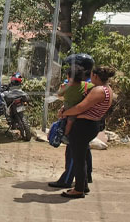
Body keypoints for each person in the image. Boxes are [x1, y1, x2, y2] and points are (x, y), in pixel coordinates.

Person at [57, 65, 116, 198]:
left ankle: (78, 190)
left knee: (78, 158)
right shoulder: (108, 89)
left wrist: (65, 113)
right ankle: (83, 185)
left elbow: (80, 108)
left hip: (84, 125)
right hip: (92, 124)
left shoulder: (98, 90)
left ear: (95, 76)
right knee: (81, 157)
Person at [49, 54, 95, 188]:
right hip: (87, 122)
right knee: (84, 150)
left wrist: (65, 112)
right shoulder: (91, 85)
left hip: (78, 122)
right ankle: (86, 177)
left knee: (73, 152)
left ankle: (67, 180)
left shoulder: (85, 85)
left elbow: (79, 106)